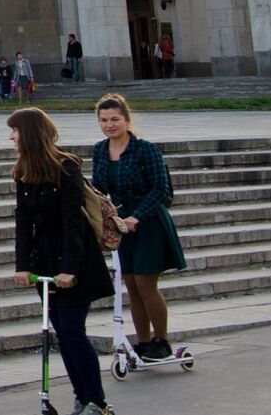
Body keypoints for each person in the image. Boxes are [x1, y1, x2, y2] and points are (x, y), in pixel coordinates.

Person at [9, 107, 113, 415]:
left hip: (74, 260)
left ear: (28, 133)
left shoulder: (65, 168)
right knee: (61, 333)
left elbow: (73, 223)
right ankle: (82, 396)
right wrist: (23, 264)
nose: (11, 138)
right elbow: (23, 221)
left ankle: (97, 400)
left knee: (72, 330)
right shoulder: (24, 171)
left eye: (14, 132)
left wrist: (69, 268)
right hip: (45, 262)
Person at [91, 94, 186, 362]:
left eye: (115, 120)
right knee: (131, 284)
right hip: (121, 223)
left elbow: (161, 189)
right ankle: (143, 341)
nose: (109, 125)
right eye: (104, 120)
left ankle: (161, 340)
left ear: (126, 119)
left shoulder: (145, 149)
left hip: (149, 220)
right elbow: (99, 187)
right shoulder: (99, 149)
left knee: (146, 283)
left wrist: (137, 216)